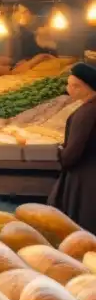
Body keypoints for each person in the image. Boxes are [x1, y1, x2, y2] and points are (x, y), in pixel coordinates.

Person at [49, 63, 96, 232]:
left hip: (85, 179)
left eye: (72, 85)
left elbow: (73, 152)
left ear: (83, 87)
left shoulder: (87, 113)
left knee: (83, 227)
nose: (68, 89)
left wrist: (61, 154)